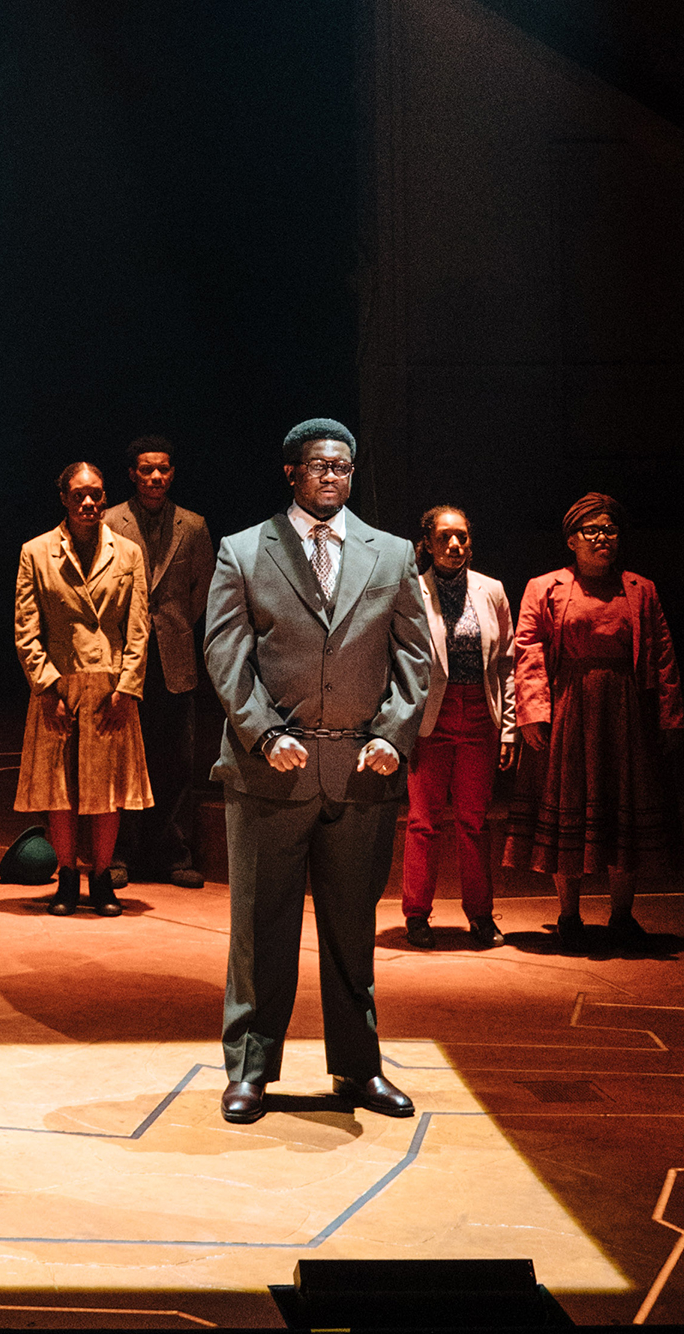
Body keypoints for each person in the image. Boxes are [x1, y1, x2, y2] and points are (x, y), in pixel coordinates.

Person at [203, 419, 428, 1125]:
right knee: (260, 931)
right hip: (271, 771)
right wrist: (263, 732)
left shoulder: (391, 556)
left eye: (343, 466)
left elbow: (416, 659)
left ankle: (357, 1071)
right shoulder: (244, 551)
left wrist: (393, 733)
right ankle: (249, 1072)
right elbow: (226, 656)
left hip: (360, 773)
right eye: (318, 466)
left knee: (351, 931)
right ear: (292, 472)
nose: (331, 477)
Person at [502, 493, 682, 953]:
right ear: (571, 540)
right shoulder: (544, 587)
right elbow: (528, 649)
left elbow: (662, 656)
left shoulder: (642, 589)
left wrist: (668, 717)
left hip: (625, 712)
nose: (603, 538)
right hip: (569, 711)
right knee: (571, 807)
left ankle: (622, 915)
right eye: (592, 530)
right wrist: (532, 714)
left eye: (610, 530)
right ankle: (569, 916)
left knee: (624, 811)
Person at [12, 463, 152, 917]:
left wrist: (127, 689)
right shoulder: (36, 551)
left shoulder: (128, 552)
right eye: (79, 495)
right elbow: (26, 628)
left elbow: (139, 626)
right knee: (61, 791)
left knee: (107, 791)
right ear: (64, 500)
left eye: (96, 494)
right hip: (57, 686)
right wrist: (47, 689)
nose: (89, 503)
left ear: (106, 497)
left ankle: (102, 878)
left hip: (111, 688)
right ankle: (68, 877)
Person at [400, 506, 516, 949]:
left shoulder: (492, 590)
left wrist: (508, 729)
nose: (455, 545)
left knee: (474, 821)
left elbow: (506, 663)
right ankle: (416, 915)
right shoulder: (411, 590)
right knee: (423, 821)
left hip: (479, 716)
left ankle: (481, 916)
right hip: (432, 717)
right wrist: (402, 728)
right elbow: (399, 663)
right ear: (427, 543)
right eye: (446, 537)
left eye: (463, 537)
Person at [102, 435, 215, 890]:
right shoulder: (110, 521)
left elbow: (203, 587)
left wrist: (173, 625)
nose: (155, 478)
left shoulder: (193, 524)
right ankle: (120, 855)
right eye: (146, 470)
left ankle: (173, 854)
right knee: (123, 761)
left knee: (175, 763)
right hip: (122, 660)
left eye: (163, 469)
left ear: (172, 472)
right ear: (131, 473)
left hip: (174, 660)